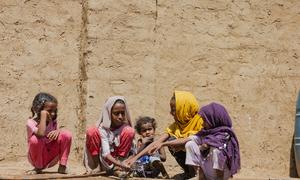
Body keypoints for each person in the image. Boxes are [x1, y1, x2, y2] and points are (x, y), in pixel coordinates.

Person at [125, 91, 203, 179]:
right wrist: (135, 158)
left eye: (174, 110)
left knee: (187, 144)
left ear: (183, 108)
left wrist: (164, 144)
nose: (171, 113)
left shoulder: (200, 122)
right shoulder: (177, 125)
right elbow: (157, 143)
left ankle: (198, 173)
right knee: (172, 140)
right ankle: (189, 172)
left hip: (204, 161)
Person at [152, 102, 240, 180]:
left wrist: (206, 145)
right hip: (209, 172)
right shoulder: (206, 133)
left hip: (222, 174)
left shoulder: (225, 133)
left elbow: (215, 144)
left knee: (218, 149)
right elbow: (187, 139)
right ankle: (199, 175)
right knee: (190, 144)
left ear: (213, 120)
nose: (202, 123)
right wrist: (164, 144)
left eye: (205, 121)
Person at [83, 96, 135, 178]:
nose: (120, 117)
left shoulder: (125, 128)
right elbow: (106, 154)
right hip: (103, 161)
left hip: (121, 163)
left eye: (122, 113)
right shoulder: (103, 128)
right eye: (116, 113)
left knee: (130, 131)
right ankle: (96, 166)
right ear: (108, 113)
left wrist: (121, 164)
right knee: (91, 131)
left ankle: (118, 169)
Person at [26, 92, 72, 174]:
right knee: (35, 139)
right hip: (37, 157)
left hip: (50, 155)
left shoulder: (53, 121)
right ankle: (38, 168)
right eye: (50, 111)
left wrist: (57, 131)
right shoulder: (30, 122)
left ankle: (62, 166)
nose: (53, 113)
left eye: (54, 110)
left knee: (66, 134)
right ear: (39, 109)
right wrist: (43, 115)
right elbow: (40, 134)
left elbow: (58, 134)